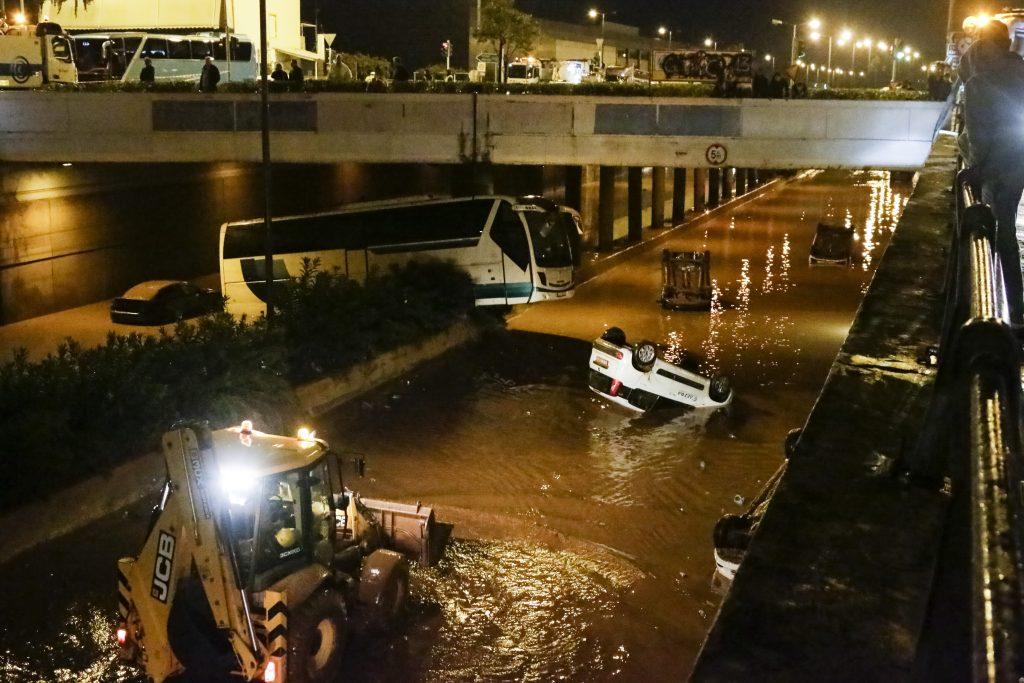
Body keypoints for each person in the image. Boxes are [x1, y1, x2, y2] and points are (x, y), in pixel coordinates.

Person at [962, 21, 1024, 323]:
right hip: (1018, 163)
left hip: (994, 169)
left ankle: (1001, 311)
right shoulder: (1020, 70)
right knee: (1006, 231)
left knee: (997, 235)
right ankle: (1015, 309)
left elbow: (976, 136)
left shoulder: (977, 83)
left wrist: (973, 166)